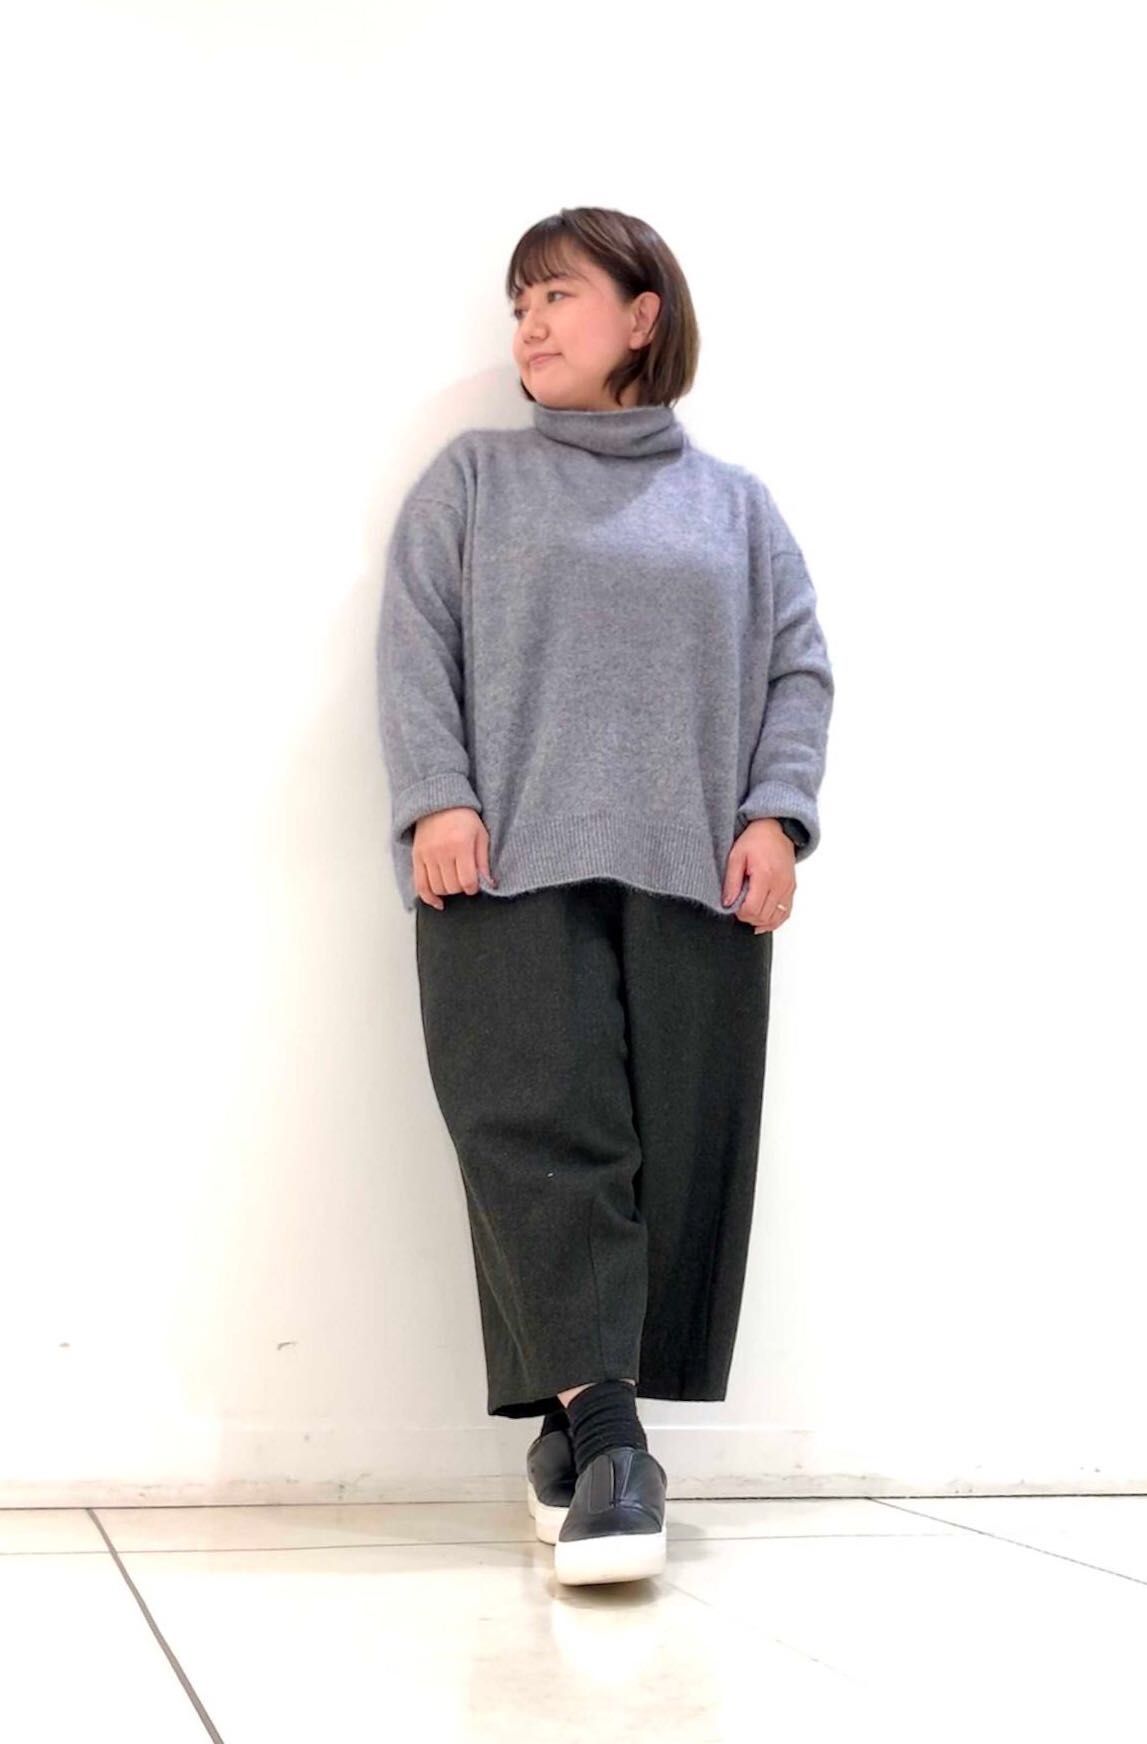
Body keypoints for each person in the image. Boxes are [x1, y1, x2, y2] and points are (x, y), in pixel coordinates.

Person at [376, 206, 834, 1585]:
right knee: (538, 1137)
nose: (527, 321)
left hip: (697, 878)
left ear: (643, 315)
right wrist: (437, 795)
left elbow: (799, 669)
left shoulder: (735, 507)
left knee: (676, 1154)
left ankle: (569, 1437)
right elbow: (417, 645)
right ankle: (619, 1451)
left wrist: (778, 817)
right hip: (503, 869)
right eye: (518, 301)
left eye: (557, 294)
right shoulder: (474, 481)